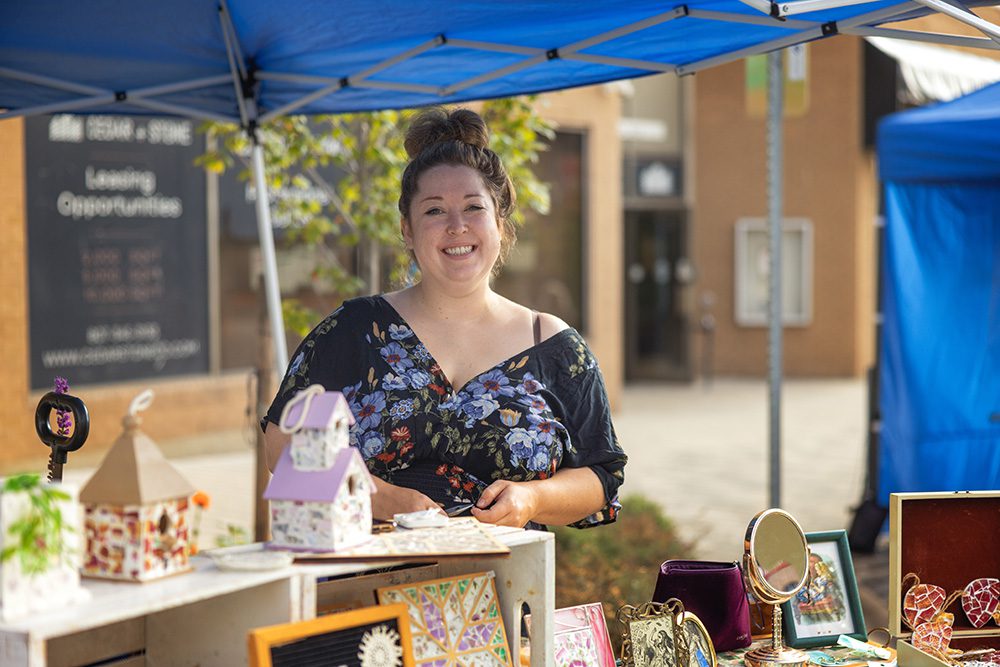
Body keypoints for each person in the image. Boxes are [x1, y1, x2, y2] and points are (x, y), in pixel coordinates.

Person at [262, 107, 626, 529]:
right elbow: (280, 446)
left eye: (473, 208)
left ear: (500, 225)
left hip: (508, 580)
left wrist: (532, 497)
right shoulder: (354, 329)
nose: (456, 226)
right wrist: (380, 496)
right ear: (408, 230)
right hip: (368, 580)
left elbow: (602, 475)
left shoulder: (553, 345)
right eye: (434, 211)